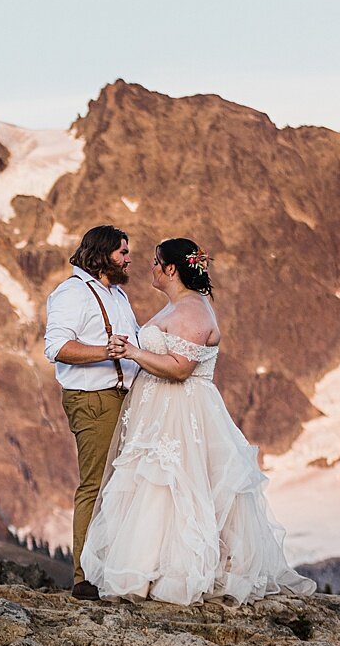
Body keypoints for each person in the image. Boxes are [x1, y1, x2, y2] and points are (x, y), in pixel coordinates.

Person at [78, 237, 314, 605]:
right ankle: (148, 569)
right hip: (160, 411)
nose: (151, 267)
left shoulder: (192, 311)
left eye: (157, 262)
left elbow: (180, 368)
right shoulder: (181, 305)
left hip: (180, 411)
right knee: (153, 486)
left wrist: (133, 352)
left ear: (171, 269)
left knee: (174, 484)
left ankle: (172, 574)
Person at [43, 225, 140, 600]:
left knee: (120, 487)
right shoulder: (72, 293)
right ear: (102, 256)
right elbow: (57, 347)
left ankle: (112, 568)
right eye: (122, 253)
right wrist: (106, 352)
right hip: (93, 401)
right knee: (96, 486)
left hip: (119, 399)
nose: (128, 258)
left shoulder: (116, 294)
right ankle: (85, 578)